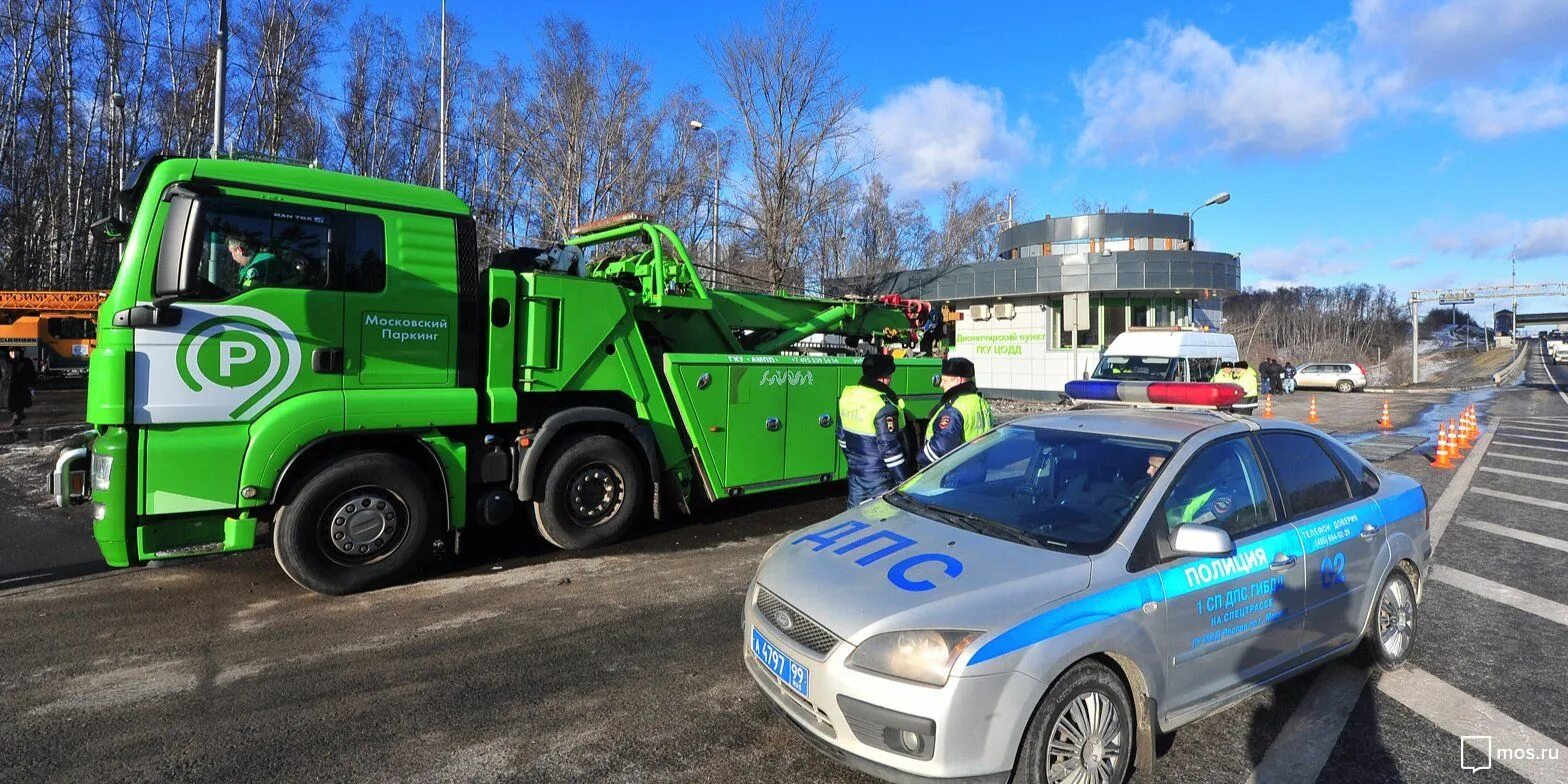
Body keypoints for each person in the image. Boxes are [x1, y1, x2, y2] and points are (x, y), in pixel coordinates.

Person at [837, 354, 914, 507]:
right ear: (884, 377)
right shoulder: (882, 404)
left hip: (855, 472)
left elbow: (841, 436)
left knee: (855, 518)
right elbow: (890, 450)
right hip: (880, 478)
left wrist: (855, 462)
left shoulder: (848, 396)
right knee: (882, 520)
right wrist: (904, 481)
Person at [919, 357, 994, 467]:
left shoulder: (955, 408)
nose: (941, 385)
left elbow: (940, 448)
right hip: (978, 468)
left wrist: (920, 459)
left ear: (958, 380)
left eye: (945, 380)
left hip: (954, 473)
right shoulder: (980, 402)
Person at [7, 347, 36, 426]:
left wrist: (31, 385)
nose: (13, 353)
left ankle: (17, 417)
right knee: (10, 404)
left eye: (15, 351)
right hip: (10, 387)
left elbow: (31, 374)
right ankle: (20, 414)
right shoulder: (7, 362)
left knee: (19, 403)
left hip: (22, 386)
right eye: (11, 351)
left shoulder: (26, 361)